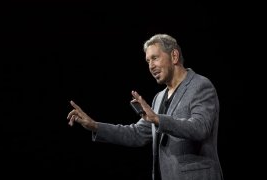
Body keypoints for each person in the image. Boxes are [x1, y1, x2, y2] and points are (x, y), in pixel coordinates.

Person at [67, 33, 224, 180]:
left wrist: (158, 119)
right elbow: (136, 134)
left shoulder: (200, 85)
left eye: (155, 58)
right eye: (148, 61)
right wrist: (95, 126)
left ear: (174, 56)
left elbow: (200, 128)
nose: (151, 66)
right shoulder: (159, 98)